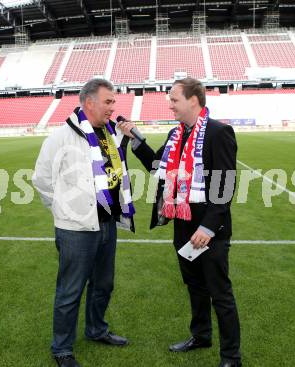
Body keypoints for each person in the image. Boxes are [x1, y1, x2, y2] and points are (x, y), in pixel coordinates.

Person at [118, 78, 242, 367]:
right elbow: (155, 166)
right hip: (183, 223)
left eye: (174, 99)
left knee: (220, 293)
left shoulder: (218, 132)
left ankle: (231, 357)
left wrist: (208, 227)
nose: (169, 104)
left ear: (193, 101)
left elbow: (224, 187)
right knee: (194, 285)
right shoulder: (177, 134)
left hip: (209, 228)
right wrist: (135, 138)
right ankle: (201, 336)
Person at [32, 78, 135, 367]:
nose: (113, 107)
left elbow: (114, 172)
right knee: (70, 290)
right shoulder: (61, 137)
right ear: (89, 102)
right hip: (75, 229)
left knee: (103, 284)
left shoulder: (109, 134)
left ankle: (96, 330)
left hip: (107, 224)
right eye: (108, 101)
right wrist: (66, 210)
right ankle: (62, 348)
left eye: (113, 102)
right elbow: (41, 180)